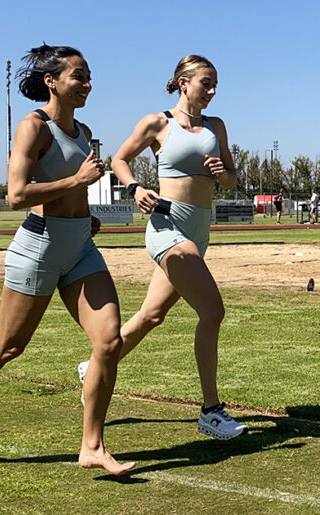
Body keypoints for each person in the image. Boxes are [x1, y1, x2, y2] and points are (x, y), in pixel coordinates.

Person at [0, 44, 135, 475]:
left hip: (80, 247)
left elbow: (76, 195)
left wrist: (87, 217)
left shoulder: (83, 130)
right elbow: (16, 195)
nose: (88, 84)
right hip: (39, 247)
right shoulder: (34, 126)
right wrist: (78, 179)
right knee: (8, 346)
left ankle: (92, 446)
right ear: (52, 81)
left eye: (89, 77)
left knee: (109, 341)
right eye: (79, 76)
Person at [77, 55, 246, 440]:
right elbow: (119, 160)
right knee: (213, 311)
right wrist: (135, 187)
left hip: (200, 230)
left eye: (215, 84)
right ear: (183, 83)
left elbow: (232, 182)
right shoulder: (158, 123)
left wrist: (224, 174)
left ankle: (96, 367)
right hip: (167, 227)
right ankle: (210, 412)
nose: (213, 91)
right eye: (206, 83)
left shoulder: (216, 126)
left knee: (152, 316)